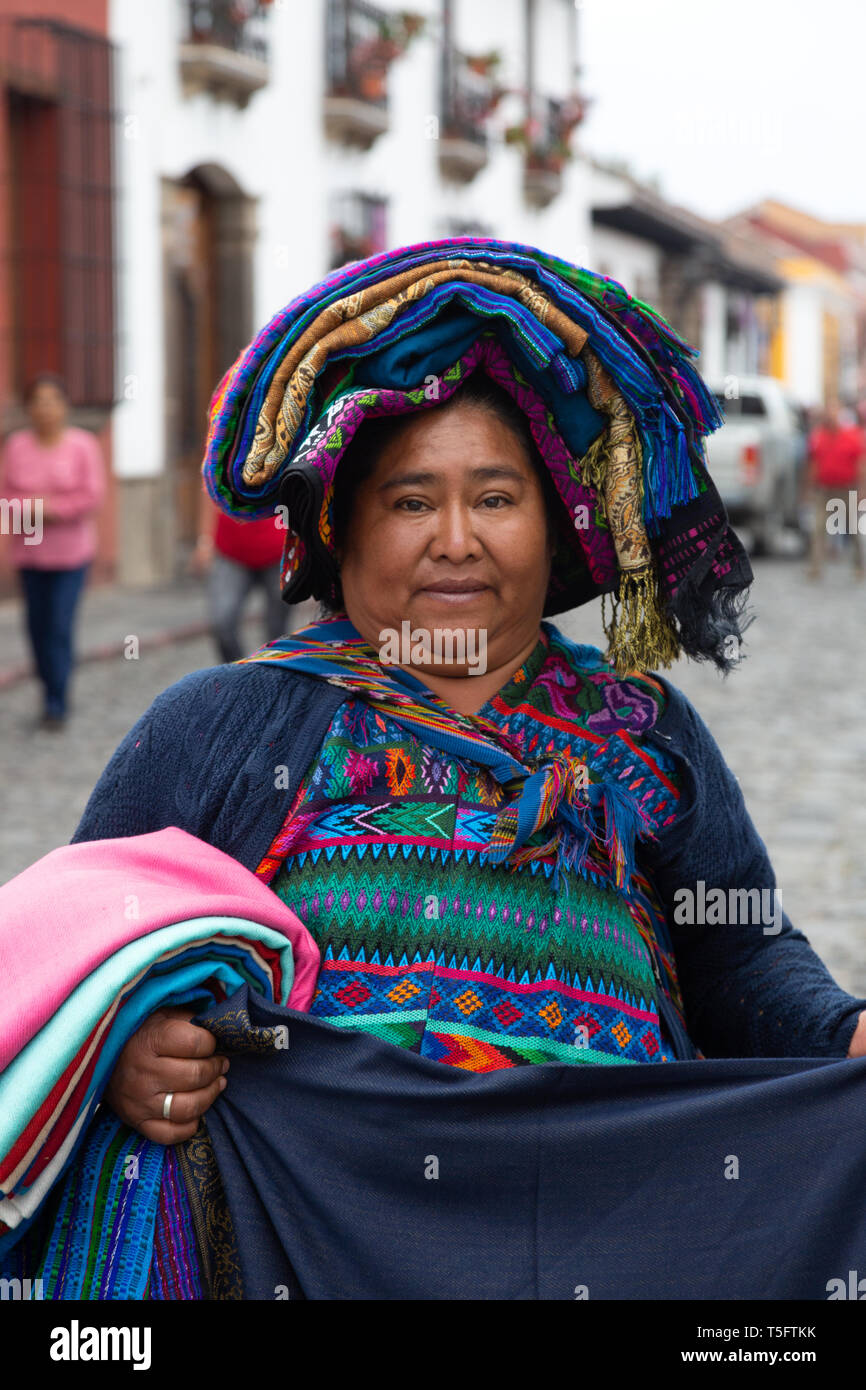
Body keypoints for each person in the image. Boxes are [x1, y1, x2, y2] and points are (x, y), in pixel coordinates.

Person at [4, 239, 866, 1298]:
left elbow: (737, 954)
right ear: (341, 532)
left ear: (553, 530)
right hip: (295, 1248)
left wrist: (840, 1027)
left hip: (592, 1240)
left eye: (495, 498)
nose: (455, 539)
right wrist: (128, 1050)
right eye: (411, 501)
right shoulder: (224, 725)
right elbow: (78, 966)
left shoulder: (643, 731)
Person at [0, 373, 106, 729]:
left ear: (64, 406)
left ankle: (57, 701)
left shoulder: (82, 445)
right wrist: (29, 506)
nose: (45, 409)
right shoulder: (16, 446)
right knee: (35, 627)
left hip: (71, 555)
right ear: (28, 408)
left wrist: (49, 508)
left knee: (59, 626)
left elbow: (92, 495)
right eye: (38, 402)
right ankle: (47, 686)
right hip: (30, 554)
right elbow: (5, 499)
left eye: (52, 401)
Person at [192, 493, 291, 662]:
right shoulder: (219, 465)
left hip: (278, 550)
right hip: (230, 552)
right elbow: (208, 491)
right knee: (222, 621)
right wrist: (204, 541)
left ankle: (275, 672)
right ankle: (237, 672)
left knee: (277, 627)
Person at [805, 403, 866, 579]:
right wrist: (809, 489)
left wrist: (862, 489)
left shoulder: (851, 436)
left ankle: (859, 566)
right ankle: (815, 567)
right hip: (824, 490)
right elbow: (813, 464)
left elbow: (861, 464)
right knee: (818, 527)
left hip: (847, 489)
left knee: (854, 529)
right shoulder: (818, 437)